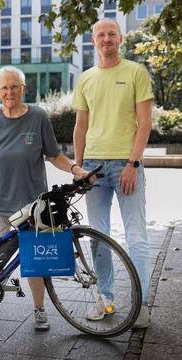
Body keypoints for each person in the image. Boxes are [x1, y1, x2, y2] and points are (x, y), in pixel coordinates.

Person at [0, 66, 89, 332]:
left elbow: (53, 154)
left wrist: (74, 168)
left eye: (14, 86)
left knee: (34, 258)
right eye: (3, 88)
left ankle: (39, 310)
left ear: (23, 88)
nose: (9, 92)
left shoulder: (38, 117)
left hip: (32, 204)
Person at [72, 19, 153, 328]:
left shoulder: (136, 72)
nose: (106, 39)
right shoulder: (86, 78)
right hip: (93, 168)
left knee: (136, 236)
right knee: (98, 236)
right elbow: (81, 126)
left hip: (125, 165)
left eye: (111, 34)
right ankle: (106, 299)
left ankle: (141, 303)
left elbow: (144, 123)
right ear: (94, 40)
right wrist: (79, 167)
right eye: (101, 35)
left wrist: (133, 164)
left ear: (120, 39)